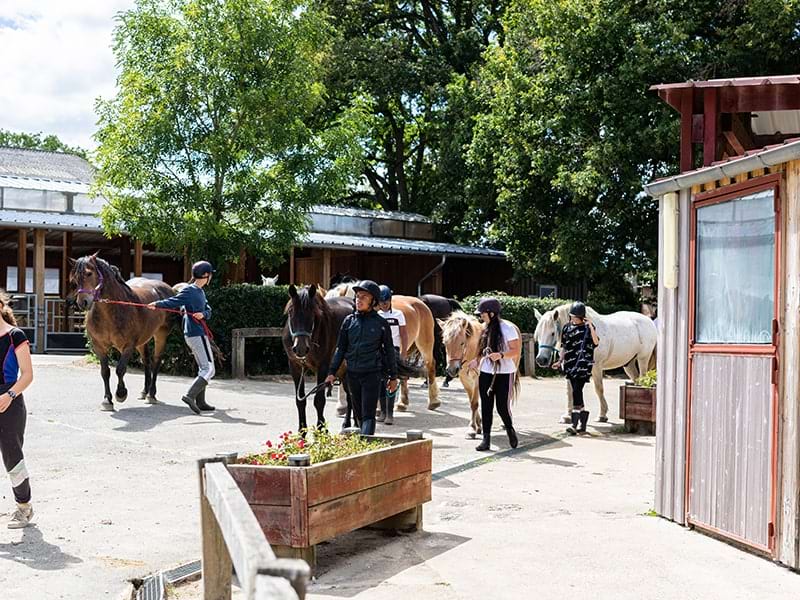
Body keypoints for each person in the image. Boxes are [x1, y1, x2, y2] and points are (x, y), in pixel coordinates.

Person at [325, 280, 399, 435]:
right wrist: (331, 372)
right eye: (358, 296)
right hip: (352, 375)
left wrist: (393, 377)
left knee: (368, 416)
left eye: (364, 297)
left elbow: (390, 351)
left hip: (372, 375)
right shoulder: (348, 322)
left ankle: (366, 445)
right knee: (358, 415)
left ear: (373, 301)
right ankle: (362, 446)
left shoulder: (381, 324)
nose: (359, 299)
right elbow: (341, 349)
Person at [149, 261, 215, 415]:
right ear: (206, 276)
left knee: (203, 367)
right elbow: (173, 301)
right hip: (195, 333)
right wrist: (156, 304)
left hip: (198, 332)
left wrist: (203, 314)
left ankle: (201, 401)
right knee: (209, 369)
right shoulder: (190, 290)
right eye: (210, 274)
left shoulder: (200, 291)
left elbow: (208, 310)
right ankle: (190, 396)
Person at [0, 290, 34, 528]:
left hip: (10, 401)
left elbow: (28, 375)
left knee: (12, 456)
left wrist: (9, 395)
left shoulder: (15, 335)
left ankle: (24, 507)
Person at [468, 297, 520, 452]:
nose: (481, 316)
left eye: (483, 314)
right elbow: (481, 349)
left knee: (502, 406)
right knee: (486, 406)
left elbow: (515, 350)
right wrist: (476, 361)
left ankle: (510, 429)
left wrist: (502, 355)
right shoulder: (484, 329)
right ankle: (486, 439)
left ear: (491, 313)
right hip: (486, 372)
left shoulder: (507, 329)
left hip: (504, 372)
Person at [552, 301, 600, 435]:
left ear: (582, 317)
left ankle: (574, 424)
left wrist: (590, 326)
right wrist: (559, 361)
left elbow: (596, 343)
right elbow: (564, 347)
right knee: (577, 391)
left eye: (576, 317)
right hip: (570, 365)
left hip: (583, 365)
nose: (574, 318)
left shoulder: (588, 328)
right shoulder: (567, 328)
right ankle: (582, 424)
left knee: (576, 391)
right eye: (572, 316)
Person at [377, 285, 407, 426]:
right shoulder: (377, 316)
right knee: (380, 382)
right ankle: (382, 411)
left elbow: (403, 334)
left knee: (392, 381)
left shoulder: (398, 315)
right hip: (379, 351)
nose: (383, 304)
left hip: (393, 350)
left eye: (386, 301)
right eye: (381, 302)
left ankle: (390, 413)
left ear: (390, 300)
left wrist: (404, 351)